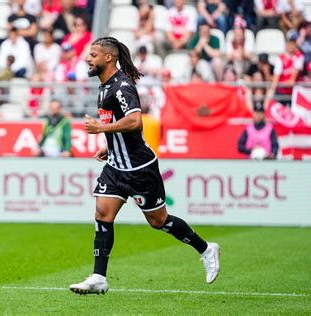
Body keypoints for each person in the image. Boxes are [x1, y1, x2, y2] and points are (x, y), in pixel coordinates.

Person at [69, 37, 220, 295]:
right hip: (116, 165)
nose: (88, 59)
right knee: (102, 215)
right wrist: (110, 144)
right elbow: (120, 123)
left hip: (140, 168)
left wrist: (101, 129)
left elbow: (136, 121)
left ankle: (206, 249)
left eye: (93, 54)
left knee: (158, 220)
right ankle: (98, 277)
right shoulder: (104, 86)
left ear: (108, 58)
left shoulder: (122, 86)